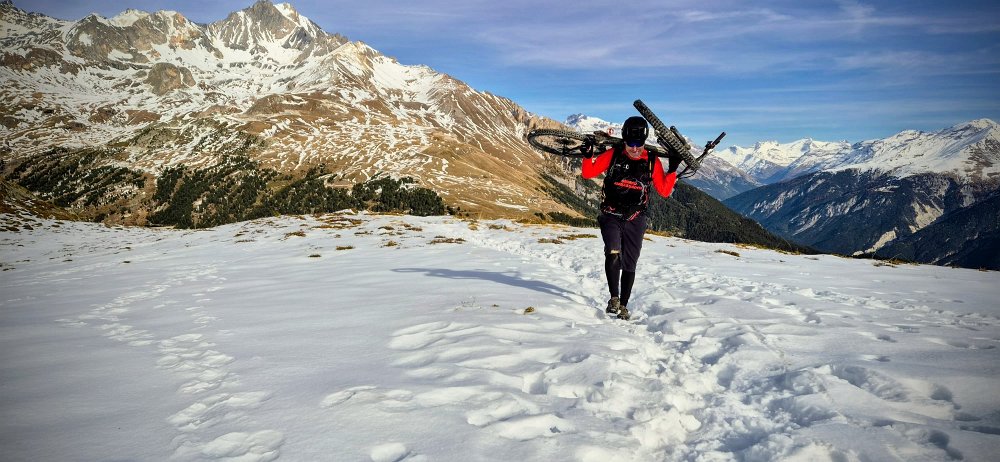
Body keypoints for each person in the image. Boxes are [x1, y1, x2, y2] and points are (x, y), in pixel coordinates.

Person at [580, 116, 681, 320]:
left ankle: (624, 306)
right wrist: (588, 156)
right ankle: (614, 298)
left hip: (636, 218)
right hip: (611, 214)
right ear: (624, 140)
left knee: (630, 263)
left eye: (639, 143)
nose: (635, 148)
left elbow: (664, 191)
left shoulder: (651, 160)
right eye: (630, 143)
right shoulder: (614, 154)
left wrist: (672, 169)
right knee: (613, 252)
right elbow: (588, 173)